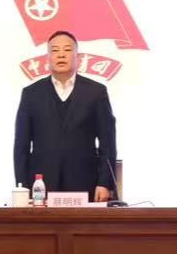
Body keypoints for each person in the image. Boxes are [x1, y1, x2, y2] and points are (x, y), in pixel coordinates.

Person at [13, 29, 117, 201]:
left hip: (85, 183)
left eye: (67, 50)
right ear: (48, 58)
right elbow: (21, 146)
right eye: (55, 50)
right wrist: (22, 187)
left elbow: (108, 142)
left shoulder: (96, 92)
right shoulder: (31, 94)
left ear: (78, 57)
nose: (61, 55)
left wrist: (104, 183)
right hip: (41, 185)